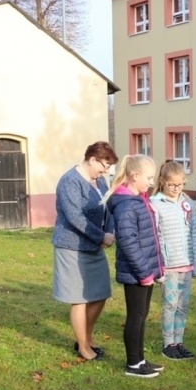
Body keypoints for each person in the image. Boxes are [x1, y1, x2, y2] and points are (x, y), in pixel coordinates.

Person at [52, 141, 117, 361]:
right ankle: (83, 347)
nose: (105, 171)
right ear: (92, 159)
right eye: (104, 166)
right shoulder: (69, 181)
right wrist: (101, 236)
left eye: (108, 167)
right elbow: (75, 218)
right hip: (71, 247)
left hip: (94, 247)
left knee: (99, 295)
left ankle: (86, 337)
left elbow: (109, 208)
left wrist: (110, 231)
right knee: (79, 299)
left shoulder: (99, 182)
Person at [102, 154, 166, 378]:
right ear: (135, 175)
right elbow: (129, 243)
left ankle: (140, 360)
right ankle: (133, 364)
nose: (151, 182)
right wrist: (144, 273)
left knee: (142, 314)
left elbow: (150, 238)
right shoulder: (127, 205)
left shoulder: (139, 200)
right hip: (136, 272)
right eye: (148, 177)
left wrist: (157, 268)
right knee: (136, 315)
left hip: (145, 271)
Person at [150, 160, 196, 360]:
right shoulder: (155, 204)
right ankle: (168, 343)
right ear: (162, 182)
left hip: (186, 264)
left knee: (183, 305)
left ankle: (179, 341)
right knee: (170, 305)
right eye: (172, 185)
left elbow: (193, 232)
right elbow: (153, 237)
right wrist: (157, 268)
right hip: (168, 266)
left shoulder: (187, 203)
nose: (176, 189)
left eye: (180, 185)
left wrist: (195, 264)